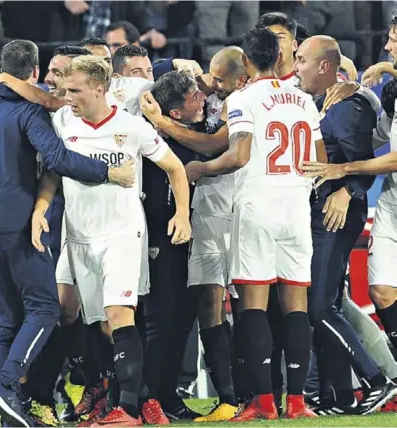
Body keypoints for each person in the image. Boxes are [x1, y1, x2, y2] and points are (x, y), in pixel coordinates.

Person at [0, 40, 134, 428]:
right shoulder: (28, 113)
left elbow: (3, 84)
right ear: (36, 72)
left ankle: (10, 412)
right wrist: (109, 172)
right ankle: (6, 386)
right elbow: (56, 159)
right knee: (44, 309)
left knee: (6, 321)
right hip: (15, 225)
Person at [31, 55, 191, 427]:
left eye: (75, 90)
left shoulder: (131, 126)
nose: (66, 97)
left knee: (119, 314)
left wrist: (181, 213)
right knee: (85, 318)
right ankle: (128, 394)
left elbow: (174, 167)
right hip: (78, 233)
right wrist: (41, 208)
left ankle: (130, 409)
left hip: (121, 231)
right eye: (65, 89)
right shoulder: (61, 122)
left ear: (99, 89)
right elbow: (53, 173)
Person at [184, 27, 327, 420]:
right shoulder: (303, 100)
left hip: (257, 205)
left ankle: (263, 403)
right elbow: (319, 158)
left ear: (247, 61)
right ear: (279, 57)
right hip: (296, 206)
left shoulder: (243, 98)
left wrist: (202, 168)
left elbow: (239, 155)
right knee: (296, 304)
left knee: (253, 304)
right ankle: (297, 402)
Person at [140, 46, 249, 422]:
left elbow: (211, 144)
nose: (206, 91)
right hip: (162, 236)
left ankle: (167, 396)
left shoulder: (192, 126)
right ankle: (145, 397)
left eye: (212, 84)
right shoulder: (153, 140)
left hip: (194, 234)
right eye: (195, 95)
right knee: (162, 318)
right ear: (175, 110)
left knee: (183, 318)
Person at [293, 34, 396, 415]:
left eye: (301, 59)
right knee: (326, 304)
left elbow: (363, 159)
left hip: (335, 212)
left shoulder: (349, 106)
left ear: (323, 67)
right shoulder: (317, 99)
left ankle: (377, 380)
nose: (295, 66)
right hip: (316, 211)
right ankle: (337, 397)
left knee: (320, 308)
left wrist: (348, 190)